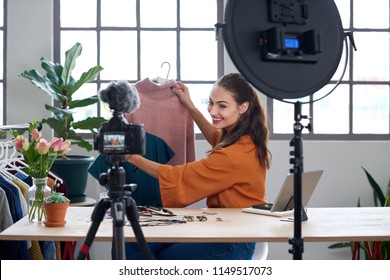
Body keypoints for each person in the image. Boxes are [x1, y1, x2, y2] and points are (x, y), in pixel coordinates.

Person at [125, 72, 271, 260]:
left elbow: (178, 175)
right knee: (137, 241)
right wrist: (190, 106)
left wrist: (132, 157)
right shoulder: (246, 140)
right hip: (231, 229)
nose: (212, 111)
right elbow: (217, 138)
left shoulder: (234, 155)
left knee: (144, 250)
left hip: (232, 241)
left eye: (222, 106)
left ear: (243, 107)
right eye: (211, 102)